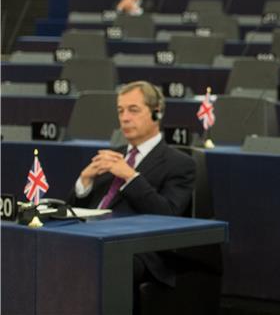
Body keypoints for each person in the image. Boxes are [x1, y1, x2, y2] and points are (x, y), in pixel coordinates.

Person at [68, 81, 196, 288]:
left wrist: (131, 177)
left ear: (157, 113)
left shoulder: (179, 163)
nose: (125, 118)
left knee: (100, 263)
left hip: (137, 250)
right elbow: (75, 210)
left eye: (133, 110)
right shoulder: (112, 156)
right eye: (121, 111)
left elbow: (168, 215)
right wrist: (84, 182)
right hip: (91, 239)